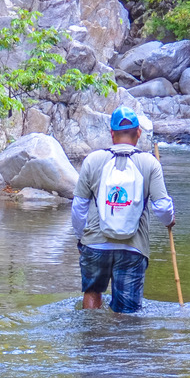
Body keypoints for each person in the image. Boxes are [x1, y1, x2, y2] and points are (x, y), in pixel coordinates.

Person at [71, 106, 175, 312]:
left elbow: (78, 207)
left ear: (111, 134)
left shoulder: (93, 160)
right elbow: (162, 208)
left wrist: (80, 237)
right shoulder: (149, 163)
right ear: (138, 133)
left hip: (95, 245)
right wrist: (170, 221)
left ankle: (92, 338)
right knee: (127, 311)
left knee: (92, 292)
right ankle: (122, 342)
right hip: (133, 248)